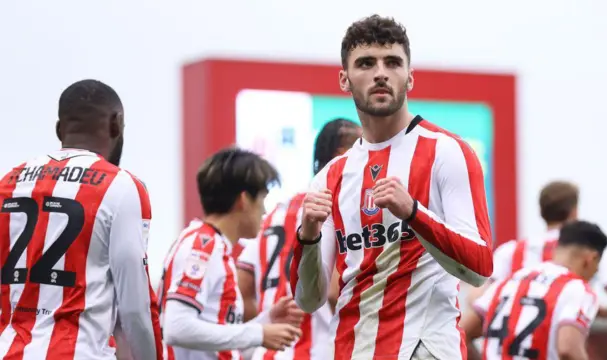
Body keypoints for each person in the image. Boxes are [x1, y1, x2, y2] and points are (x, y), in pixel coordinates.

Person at [290, 15, 494, 360]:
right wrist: (307, 236)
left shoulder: (447, 151)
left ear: (410, 77)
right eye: (366, 63)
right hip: (353, 349)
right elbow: (309, 299)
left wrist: (413, 213)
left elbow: (478, 269)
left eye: (393, 62)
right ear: (344, 79)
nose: (380, 73)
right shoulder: (329, 177)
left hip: (426, 348)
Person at [0, 79, 162, 359]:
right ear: (116, 123)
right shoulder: (121, 186)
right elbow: (135, 306)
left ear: (59, 129)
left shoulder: (9, 183)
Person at [158, 148, 303, 360]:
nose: (264, 211)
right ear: (243, 200)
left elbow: (218, 342)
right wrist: (258, 333)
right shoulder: (203, 246)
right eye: (262, 199)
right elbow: (177, 327)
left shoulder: (212, 244)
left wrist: (266, 320)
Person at [236, 118, 362, 360]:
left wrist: (267, 318)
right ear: (341, 154)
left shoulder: (274, 213)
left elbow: (242, 287)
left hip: (269, 352)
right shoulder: (337, 211)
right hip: (319, 352)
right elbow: (336, 293)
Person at [466, 181, 607, 320]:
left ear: (541, 212)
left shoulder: (509, 252)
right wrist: (591, 310)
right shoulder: (589, 252)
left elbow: (475, 299)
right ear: (574, 212)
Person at [460, 220, 607, 360]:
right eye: (596, 269)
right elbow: (568, 348)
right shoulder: (577, 288)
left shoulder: (509, 281)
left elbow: (461, 332)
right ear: (591, 259)